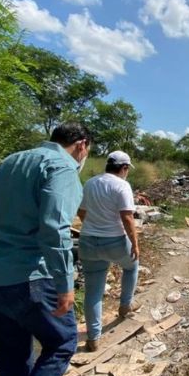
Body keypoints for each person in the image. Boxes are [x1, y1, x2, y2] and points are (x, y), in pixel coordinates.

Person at [0, 122, 91, 376]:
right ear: (81, 145)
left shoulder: (12, 161)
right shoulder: (63, 167)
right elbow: (55, 229)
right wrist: (65, 283)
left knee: (12, 353)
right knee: (62, 341)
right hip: (28, 277)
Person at [78, 150, 140, 352]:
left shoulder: (90, 183)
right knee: (131, 267)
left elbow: (81, 211)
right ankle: (125, 306)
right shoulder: (122, 185)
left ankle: (93, 338)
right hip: (115, 241)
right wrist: (135, 244)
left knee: (93, 291)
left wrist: (93, 227)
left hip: (87, 242)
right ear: (124, 168)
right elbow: (127, 217)